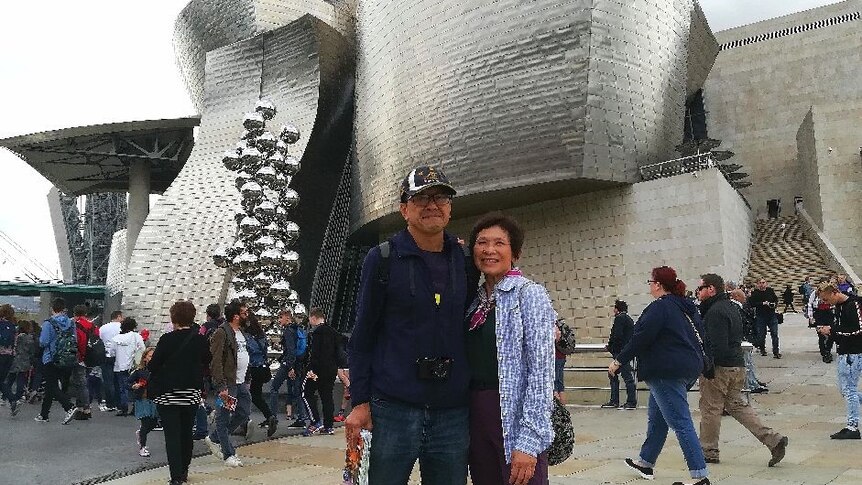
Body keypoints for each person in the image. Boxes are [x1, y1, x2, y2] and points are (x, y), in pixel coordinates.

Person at [346, 165, 475, 484]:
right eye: (421, 198)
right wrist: (360, 401)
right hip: (393, 409)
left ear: (450, 208)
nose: (433, 204)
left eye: (441, 197)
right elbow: (362, 335)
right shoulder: (383, 258)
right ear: (404, 209)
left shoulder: (465, 261)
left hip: (452, 412)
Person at [465, 213, 554, 485]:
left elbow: (541, 372)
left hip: (512, 414)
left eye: (499, 243)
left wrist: (528, 441)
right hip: (475, 414)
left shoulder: (529, 294)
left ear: (515, 253)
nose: (489, 250)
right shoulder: (474, 302)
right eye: (481, 243)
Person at [610, 266, 710, 485]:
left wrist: (619, 360)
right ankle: (645, 463)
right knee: (658, 418)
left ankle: (700, 476)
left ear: (657, 285)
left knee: (681, 422)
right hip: (687, 367)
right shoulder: (684, 306)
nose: (649, 286)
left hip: (666, 371)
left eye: (650, 282)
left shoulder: (660, 308)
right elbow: (701, 333)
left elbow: (640, 338)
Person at [695, 273, 788, 466]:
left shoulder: (714, 312)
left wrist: (707, 367)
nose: (698, 292)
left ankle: (708, 450)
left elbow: (716, 346)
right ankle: (773, 439)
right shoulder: (730, 307)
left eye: (700, 288)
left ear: (711, 289)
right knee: (738, 406)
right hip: (737, 365)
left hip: (719, 368)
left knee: (710, 408)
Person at [148, 300, 212, 485]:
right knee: (186, 433)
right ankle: (184, 471)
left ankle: (176, 477)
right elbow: (207, 359)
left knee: (172, 436)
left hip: (167, 394)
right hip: (191, 393)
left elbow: (153, 366)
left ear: (173, 317)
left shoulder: (166, 339)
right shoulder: (200, 340)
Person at [205, 300, 252, 467]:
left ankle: (214, 438)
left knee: (244, 413)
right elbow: (215, 361)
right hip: (228, 384)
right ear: (236, 316)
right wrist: (221, 386)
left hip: (241, 383)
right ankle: (228, 454)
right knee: (223, 418)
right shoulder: (221, 332)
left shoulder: (242, 332)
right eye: (245, 313)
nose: (248, 316)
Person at [815, 281, 862, 439]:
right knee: (846, 390)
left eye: (827, 300)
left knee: (849, 390)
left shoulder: (853, 304)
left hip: (853, 353)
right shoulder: (839, 307)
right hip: (844, 352)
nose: (826, 304)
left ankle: (852, 426)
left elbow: (858, 330)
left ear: (834, 293)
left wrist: (832, 330)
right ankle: (852, 424)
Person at [300, 307, 343, 436]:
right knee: (327, 396)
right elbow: (338, 353)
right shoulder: (334, 333)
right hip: (331, 369)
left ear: (313, 317)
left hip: (317, 369)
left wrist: (311, 369)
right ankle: (329, 426)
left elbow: (316, 353)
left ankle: (315, 421)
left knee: (305, 393)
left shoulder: (316, 333)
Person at [36, 298, 78, 425]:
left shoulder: (49, 323)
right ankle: (44, 414)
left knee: (52, 386)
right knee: (50, 386)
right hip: (66, 358)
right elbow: (74, 338)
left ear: (52, 309)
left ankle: (69, 406)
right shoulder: (71, 323)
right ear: (64, 309)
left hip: (51, 358)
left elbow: (43, 342)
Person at [269, 308, 307, 428]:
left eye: (281, 317)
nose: (279, 320)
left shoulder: (288, 331)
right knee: (298, 391)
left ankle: (272, 416)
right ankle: (301, 418)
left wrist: (290, 367)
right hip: (298, 364)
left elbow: (290, 350)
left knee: (274, 387)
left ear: (287, 317)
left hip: (289, 364)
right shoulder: (297, 329)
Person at [728, 289, 768, 393]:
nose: (745, 297)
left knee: (749, 362)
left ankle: (752, 381)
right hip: (742, 339)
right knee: (746, 363)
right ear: (737, 296)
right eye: (743, 296)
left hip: (744, 337)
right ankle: (750, 384)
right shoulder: (735, 307)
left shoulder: (737, 306)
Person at [245, 313, 277, 437]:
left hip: (250, 369)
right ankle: (269, 415)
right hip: (261, 367)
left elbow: (248, 350)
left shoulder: (247, 336)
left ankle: (244, 421)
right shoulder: (261, 335)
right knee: (256, 395)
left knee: (245, 395)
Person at [603, 300, 637, 410]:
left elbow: (617, 336)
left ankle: (629, 402)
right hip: (626, 351)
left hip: (621, 353)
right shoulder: (628, 319)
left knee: (626, 377)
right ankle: (616, 401)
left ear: (617, 309)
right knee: (612, 373)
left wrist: (611, 347)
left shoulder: (620, 318)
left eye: (614, 307)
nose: (613, 309)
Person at [108, 317, 145, 416]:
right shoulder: (136, 336)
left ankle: (123, 408)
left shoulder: (116, 338)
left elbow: (111, 353)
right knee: (135, 386)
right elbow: (142, 348)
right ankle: (135, 406)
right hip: (133, 365)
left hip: (119, 365)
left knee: (122, 387)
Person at [70, 304, 98, 420]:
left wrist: (80, 356)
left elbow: (79, 342)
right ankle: (81, 407)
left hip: (81, 357)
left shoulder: (77, 325)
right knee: (82, 382)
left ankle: (85, 409)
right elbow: (96, 338)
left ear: (75, 314)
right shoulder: (92, 325)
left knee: (80, 383)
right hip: (91, 357)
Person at [129, 347, 158, 457]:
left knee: (154, 422)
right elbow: (127, 382)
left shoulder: (158, 370)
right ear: (145, 358)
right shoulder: (139, 372)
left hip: (154, 399)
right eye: (150, 356)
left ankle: (141, 433)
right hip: (143, 399)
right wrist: (134, 386)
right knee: (145, 422)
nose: (152, 358)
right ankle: (142, 447)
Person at [6, 320, 35, 415]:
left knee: (10, 379)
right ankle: (18, 397)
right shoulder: (30, 338)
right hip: (25, 361)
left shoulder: (16, 337)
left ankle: (6, 395)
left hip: (14, 360)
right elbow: (32, 352)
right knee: (21, 379)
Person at [748, 279, 780, 358]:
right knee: (762, 334)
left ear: (766, 283)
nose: (762, 285)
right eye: (760, 283)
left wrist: (774, 304)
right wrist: (762, 303)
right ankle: (762, 348)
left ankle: (776, 351)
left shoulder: (770, 291)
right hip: (761, 315)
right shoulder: (755, 293)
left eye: (763, 283)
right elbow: (751, 304)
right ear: (757, 284)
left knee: (774, 333)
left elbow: (776, 299)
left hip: (771, 314)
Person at [99, 310, 123, 412]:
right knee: (118, 380)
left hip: (105, 354)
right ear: (118, 316)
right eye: (122, 317)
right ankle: (119, 403)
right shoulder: (122, 328)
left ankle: (110, 403)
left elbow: (99, 339)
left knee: (108, 380)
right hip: (118, 356)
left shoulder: (103, 328)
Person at [0, 304, 19, 416]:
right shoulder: (13, 326)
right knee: (1, 381)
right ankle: (12, 400)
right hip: (9, 357)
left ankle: (12, 399)